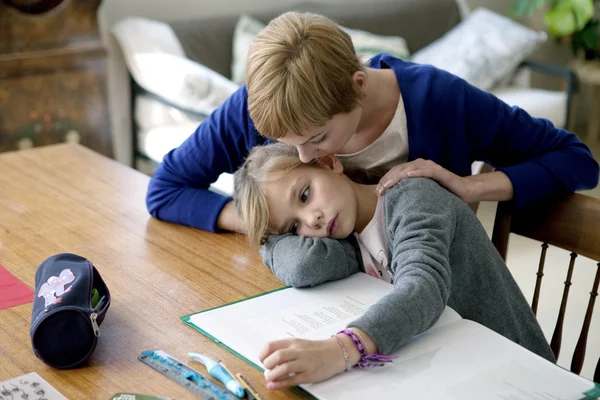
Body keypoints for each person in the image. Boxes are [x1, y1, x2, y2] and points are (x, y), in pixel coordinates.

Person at [145, 11, 599, 279]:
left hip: (434, 301)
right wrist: (268, 222)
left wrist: (470, 187)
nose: (305, 156)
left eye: (318, 138)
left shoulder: (440, 100)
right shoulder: (262, 108)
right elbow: (165, 190)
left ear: (357, 86)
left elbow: (576, 160)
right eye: (291, 144)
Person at [233, 142, 555, 390]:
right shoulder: (345, 240)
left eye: (305, 195)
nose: (312, 220)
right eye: (293, 228)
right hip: (448, 368)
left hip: (517, 373)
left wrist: (341, 350)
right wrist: (268, 239)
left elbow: (425, 289)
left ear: (329, 162)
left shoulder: (414, 197)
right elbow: (304, 265)